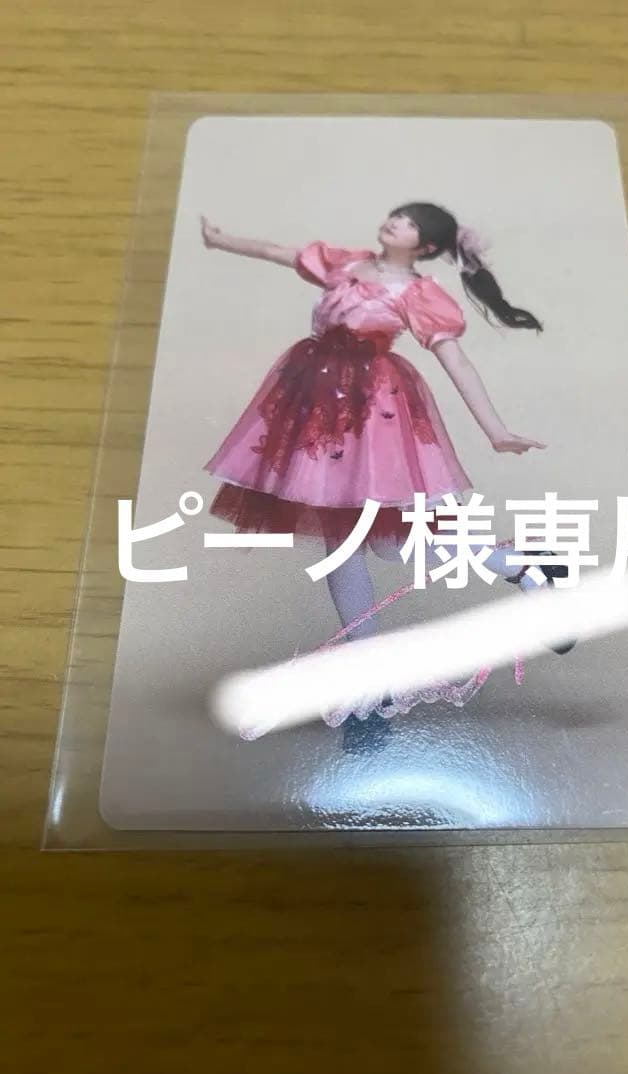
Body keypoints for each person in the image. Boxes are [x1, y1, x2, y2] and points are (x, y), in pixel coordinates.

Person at [200, 202, 571, 745]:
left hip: (372, 415)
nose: (395, 222)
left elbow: (457, 362)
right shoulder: (344, 262)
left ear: (425, 247)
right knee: (347, 541)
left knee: (389, 538)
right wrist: (220, 239)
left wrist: (496, 430)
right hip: (315, 403)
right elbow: (278, 252)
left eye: (409, 223)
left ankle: (521, 566)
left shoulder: (419, 294)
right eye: (397, 216)